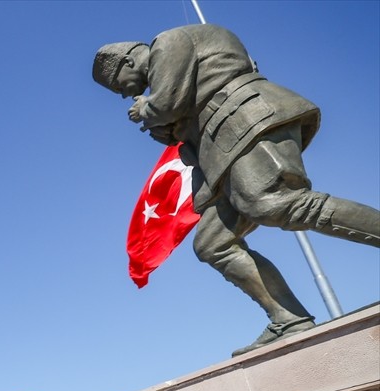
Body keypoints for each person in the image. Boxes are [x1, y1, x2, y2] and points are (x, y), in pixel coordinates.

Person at [93, 24, 380, 355]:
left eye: (119, 86)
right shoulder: (169, 61)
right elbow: (177, 122)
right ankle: (287, 318)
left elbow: (167, 104)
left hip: (245, 121)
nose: (125, 95)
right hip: (223, 144)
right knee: (213, 244)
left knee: (276, 204)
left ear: (127, 62)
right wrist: (165, 126)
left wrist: (146, 110)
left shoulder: (167, 44)